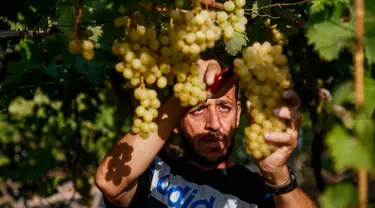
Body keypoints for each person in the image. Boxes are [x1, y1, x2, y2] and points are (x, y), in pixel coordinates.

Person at [95, 55, 317, 208]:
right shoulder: (155, 174)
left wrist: (278, 175)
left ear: (238, 115)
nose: (214, 123)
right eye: (198, 109)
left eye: (224, 108)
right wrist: (184, 96)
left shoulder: (264, 193)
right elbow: (109, 182)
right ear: (176, 120)